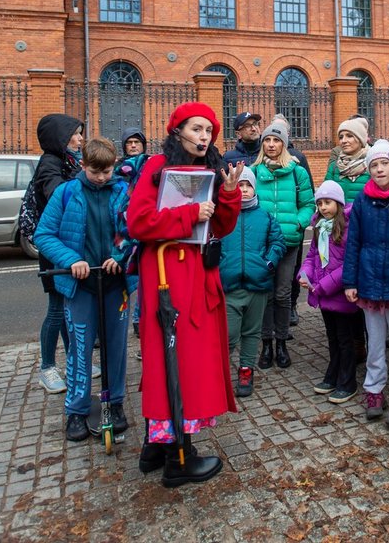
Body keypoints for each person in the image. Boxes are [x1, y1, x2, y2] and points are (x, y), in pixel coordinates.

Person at [126, 102, 243, 488]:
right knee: (170, 360)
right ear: (178, 131)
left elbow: (221, 227)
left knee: (187, 362)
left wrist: (227, 194)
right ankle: (177, 456)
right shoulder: (156, 168)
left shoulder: (213, 169)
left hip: (197, 277)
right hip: (166, 278)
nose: (204, 136)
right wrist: (190, 213)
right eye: (197, 129)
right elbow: (139, 222)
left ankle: (158, 447)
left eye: (209, 130)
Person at [32, 137, 132, 443]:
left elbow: (132, 232)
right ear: (83, 165)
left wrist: (119, 255)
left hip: (116, 284)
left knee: (116, 347)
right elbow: (44, 234)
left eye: (106, 171)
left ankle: (114, 402)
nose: (102, 178)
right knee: (80, 348)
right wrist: (71, 259)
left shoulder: (124, 191)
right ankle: (76, 409)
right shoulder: (66, 193)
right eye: (95, 171)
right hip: (81, 286)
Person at [343, 140, 389, 428]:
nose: (379, 169)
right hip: (370, 281)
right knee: (374, 343)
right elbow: (354, 242)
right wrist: (350, 280)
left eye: (384, 163)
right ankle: (373, 391)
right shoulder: (362, 200)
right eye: (374, 164)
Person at [252, 123, 315, 369]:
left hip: (288, 242)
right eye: (267, 140)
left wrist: (298, 225)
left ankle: (282, 342)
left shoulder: (297, 172)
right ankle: (266, 343)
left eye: (276, 141)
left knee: (282, 293)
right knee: (265, 294)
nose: (271, 145)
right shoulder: (254, 172)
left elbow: (308, 204)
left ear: (284, 144)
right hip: (262, 244)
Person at [220, 167, 286, 398]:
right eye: (240, 185)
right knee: (228, 334)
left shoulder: (265, 216)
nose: (245, 190)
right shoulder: (224, 215)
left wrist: (268, 263)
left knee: (251, 332)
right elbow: (212, 240)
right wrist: (221, 264)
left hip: (257, 285)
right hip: (230, 286)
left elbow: (278, 242)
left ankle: (246, 370)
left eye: (248, 185)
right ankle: (218, 374)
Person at [32, 114, 83, 394]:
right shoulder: (50, 164)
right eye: (75, 134)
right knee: (56, 310)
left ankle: (74, 359)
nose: (79, 139)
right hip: (56, 249)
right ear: (60, 138)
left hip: (70, 244)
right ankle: (47, 368)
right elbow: (56, 194)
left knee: (68, 307)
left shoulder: (69, 161)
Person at [300, 180, 361, 404]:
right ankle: (333, 375)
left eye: (328, 202)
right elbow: (312, 256)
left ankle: (348, 382)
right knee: (332, 337)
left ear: (338, 203)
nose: (323, 207)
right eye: (320, 203)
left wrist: (324, 285)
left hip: (339, 293)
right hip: (323, 293)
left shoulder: (346, 228)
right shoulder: (319, 227)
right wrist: (305, 274)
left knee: (346, 340)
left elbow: (348, 263)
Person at [116, 127, 149, 340]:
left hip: (143, 227)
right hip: (125, 228)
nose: (134, 145)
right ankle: (120, 323)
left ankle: (139, 320)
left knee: (145, 281)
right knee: (125, 280)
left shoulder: (149, 166)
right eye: (130, 142)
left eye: (137, 142)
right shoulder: (118, 170)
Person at [325, 117, 371, 203]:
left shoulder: (372, 165)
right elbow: (326, 197)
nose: (343, 141)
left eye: (349, 136)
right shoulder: (334, 167)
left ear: (360, 139)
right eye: (341, 137)